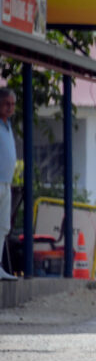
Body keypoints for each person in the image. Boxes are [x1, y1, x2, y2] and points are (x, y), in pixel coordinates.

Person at [0, 88, 18, 281]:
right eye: (7, 104)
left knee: (2, 226)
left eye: (12, 105)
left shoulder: (8, 125)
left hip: (6, 183)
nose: (10, 108)